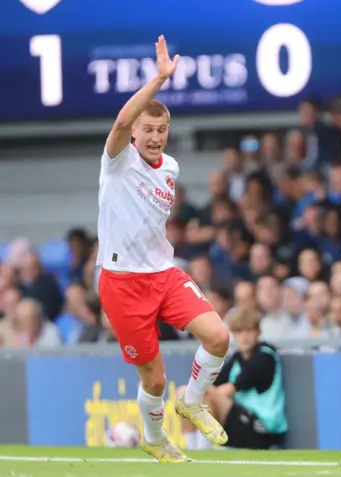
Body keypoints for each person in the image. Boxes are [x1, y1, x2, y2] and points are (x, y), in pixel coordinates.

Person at [96, 35, 229, 462]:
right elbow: (118, 124)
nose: (154, 137)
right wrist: (158, 80)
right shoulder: (118, 160)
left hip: (164, 275)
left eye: (161, 130)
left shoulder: (170, 166)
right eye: (147, 130)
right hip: (122, 282)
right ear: (134, 131)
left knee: (219, 337)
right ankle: (154, 438)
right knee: (154, 381)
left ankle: (192, 401)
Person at [178, 307, 287, 450]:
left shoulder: (265, 356)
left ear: (258, 332)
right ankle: (193, 450)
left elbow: (225, 391)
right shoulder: (237, 358)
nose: (244, 337)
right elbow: (213, 383)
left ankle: (201, 451)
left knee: (194, 394)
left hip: (262, 429)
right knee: (191, 395)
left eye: (249, 331)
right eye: (239, 331)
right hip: (241, 423)